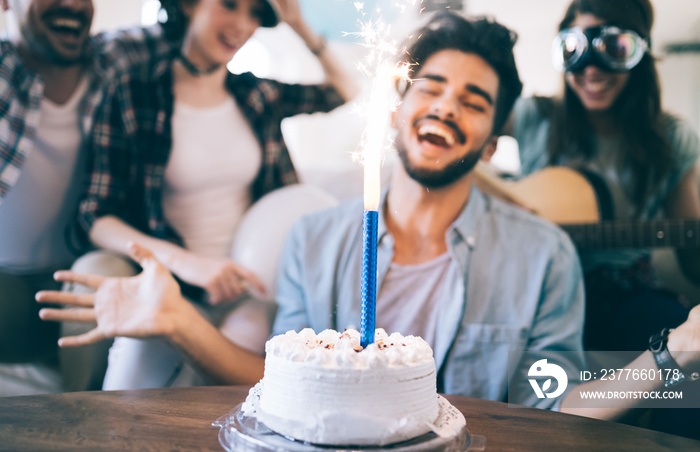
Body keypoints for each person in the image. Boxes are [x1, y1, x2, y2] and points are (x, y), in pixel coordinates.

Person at [36, 13, 700, 422]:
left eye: (473, 101)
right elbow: (285, 385)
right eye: (430, 88)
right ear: (396, 110)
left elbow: (559, 407)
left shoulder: (543, 258)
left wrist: (677, 354)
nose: (444, 107)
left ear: (493, 144)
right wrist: (179, 322)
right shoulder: (316, 242)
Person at [71, 0, 356, 390]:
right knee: (128, 402)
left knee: (221, 397)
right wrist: (188, 264)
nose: (242, 24)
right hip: (172, 287)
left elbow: (346, 89)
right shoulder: (134, 93)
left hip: (249, 294)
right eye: (229, 5)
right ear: (187, 5)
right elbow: (94, 215)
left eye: (256, 13)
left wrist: (296, 23)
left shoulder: (257, 94)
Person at [509, 0, 700, 353]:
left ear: (639, 52)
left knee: (675, 346)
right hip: (536, 288)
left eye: (614, 48)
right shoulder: (535, 116)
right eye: (574, 50)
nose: (591, 71)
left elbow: (693, 259)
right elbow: (466, 132)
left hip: (628, 297)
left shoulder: (672, 138)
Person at [0, 0, 170, 394]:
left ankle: (84, 427)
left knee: (104, 271)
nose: (73, 3)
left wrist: (301, 28)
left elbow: (192, 24)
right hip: (8, 294)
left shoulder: (113, 59)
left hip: (82, 283)